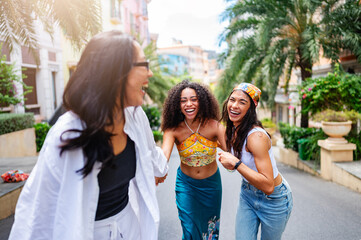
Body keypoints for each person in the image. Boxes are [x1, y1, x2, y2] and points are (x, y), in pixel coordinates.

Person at [8, 30, 168, 240]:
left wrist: (171, 137)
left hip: (130, 228)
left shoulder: (135, 118)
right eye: (143, 65)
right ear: (116, 73)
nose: (150, 74)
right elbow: (37, 213)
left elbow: (152, 158)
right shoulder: (68, 134)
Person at [218, 83, 293, 240]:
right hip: (248, 194)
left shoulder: (256, 137)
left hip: (274, 200)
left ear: (251, 108)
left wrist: (236, 164)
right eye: (232, 100)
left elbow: (268, 186)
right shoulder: (232, 131)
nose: (234, 105)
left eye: (242, 102)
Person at [161, 80, 226, 240]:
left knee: (210, 232)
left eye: (193, 99)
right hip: (186, 185)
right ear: (177, 105)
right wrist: (156, 171)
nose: (188, 104)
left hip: (211, 186)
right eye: (183, 100)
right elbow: (163, 157)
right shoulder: (172, 129)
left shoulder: (215, 126)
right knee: (190, 229)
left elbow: (232, 151)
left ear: (202, 101)